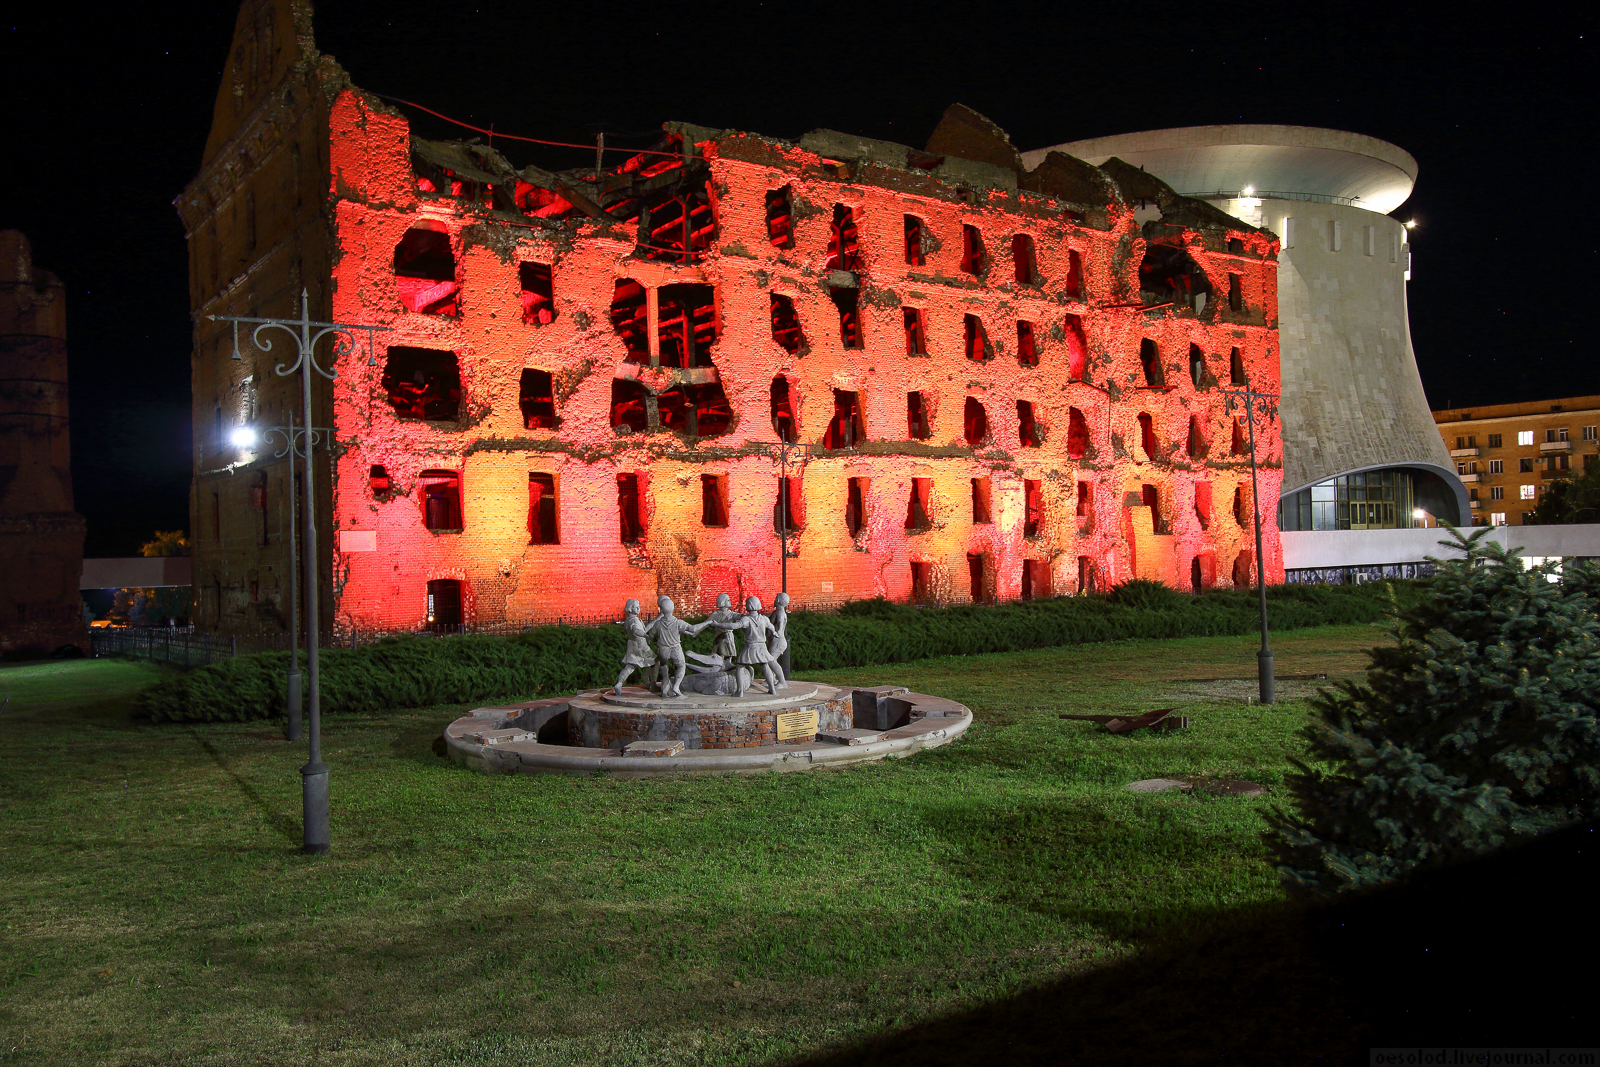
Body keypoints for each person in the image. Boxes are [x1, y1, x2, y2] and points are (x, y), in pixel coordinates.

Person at [644, 595, 706, 697]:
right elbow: (693, 629)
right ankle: (676, 686)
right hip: (675, 649)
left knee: (664, 665)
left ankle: (665, 684)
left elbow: (651, 635)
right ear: (673, 609)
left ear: (662, 610)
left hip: (663, 649)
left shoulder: (658, 624)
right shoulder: (678, 622)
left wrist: (649, 640)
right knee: (681, 666)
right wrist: (706, 623)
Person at [735, 596, 785, 695]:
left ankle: (740, 691)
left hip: (750, 646)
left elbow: (736, 626)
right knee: (765, 665)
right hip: (762, 646)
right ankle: (772, 689)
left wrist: (719, 625)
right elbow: (771, 627)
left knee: (740, 666)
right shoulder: (764, 619)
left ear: (748, 606)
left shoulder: (746, 619)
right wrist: (774, 632)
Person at [613, 599, 655, 695]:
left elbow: (644, 629)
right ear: (631, 608)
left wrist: (657, 619)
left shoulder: (630, 619)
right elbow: (637, 631)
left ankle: (619, 684)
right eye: (636, 607)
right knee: (655, 662)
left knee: (630, 667)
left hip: (632, 645)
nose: (638, 608)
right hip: (641, 646)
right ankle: (647, 678)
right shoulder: (634, 621)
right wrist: (646, 636)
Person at [706, 592, 741, 660]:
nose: (730, 601)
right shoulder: (715, 614)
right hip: (720, 636)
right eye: (728, 600)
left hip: (729, 637)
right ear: (723, 602)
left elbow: (738, 615)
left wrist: (746, 616)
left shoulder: (731, 614)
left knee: (729, 655)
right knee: (720, 654)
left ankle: (727, 666)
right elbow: (706, 623)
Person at [767, 591, 790, 680]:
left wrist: (776, 633)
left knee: (770, 660)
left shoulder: (780, 613)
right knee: (772, 660)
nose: (775, 600)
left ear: (780, 601)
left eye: (776, 598)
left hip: (778, 641)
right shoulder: (776, 612)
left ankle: (782, 681)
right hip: (775, 640)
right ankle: (771, 679)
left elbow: (780, 625)